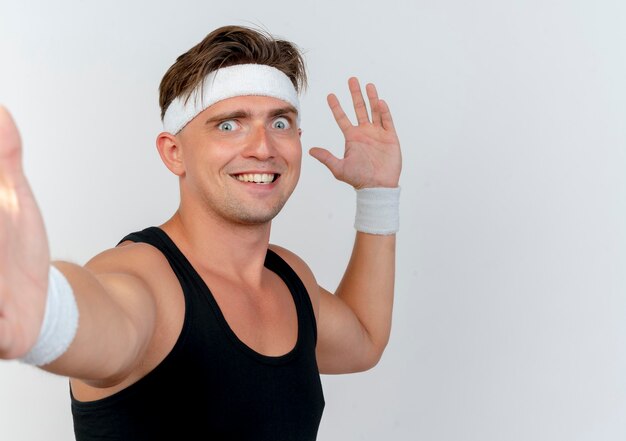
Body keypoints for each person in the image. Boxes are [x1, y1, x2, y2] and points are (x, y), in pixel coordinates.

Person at [0, 25, 402, 440]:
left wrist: (377, 194)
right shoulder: (146, 276)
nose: (264, 147)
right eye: (229, 125)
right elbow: (112, 324)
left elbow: (365, 339)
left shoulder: (288, 276)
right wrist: (49, 313)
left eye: (280, 123)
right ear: (174, 153)